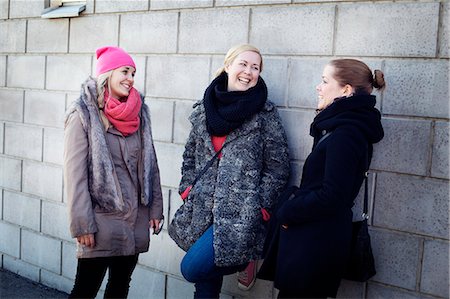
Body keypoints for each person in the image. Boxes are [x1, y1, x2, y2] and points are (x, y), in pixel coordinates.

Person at [169, 44, 290, 299]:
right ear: (228, 66)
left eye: (255, 67)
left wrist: (260, 208)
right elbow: (190, 155)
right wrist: (187, 188)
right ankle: (240, 258)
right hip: (202, 207)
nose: (248, 72)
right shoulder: (205, 108)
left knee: (192, 268)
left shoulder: (264, 114)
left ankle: (244, 257)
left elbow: (278, 166)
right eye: (243, 64)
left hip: (241, 213)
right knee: (205, 283)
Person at [271, 59, 385, 298]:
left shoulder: (346, 134)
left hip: (316, 243)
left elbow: (333, 195)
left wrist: (288, 211)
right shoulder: (340, 127)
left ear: (346, 90)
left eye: (324, 81)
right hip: (313, 238)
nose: (318, 87)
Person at [64, 46, 164, 299]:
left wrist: (155, 209)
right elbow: (74, 176)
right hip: (99, 222)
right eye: (125, 71)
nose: (131, 78)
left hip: (134, 219)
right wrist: (82, 224)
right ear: (107, 74)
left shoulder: (140, 113)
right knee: (85, 290)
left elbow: (151, 165)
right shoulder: (83, 115)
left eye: (133, 73)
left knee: (120, 287)